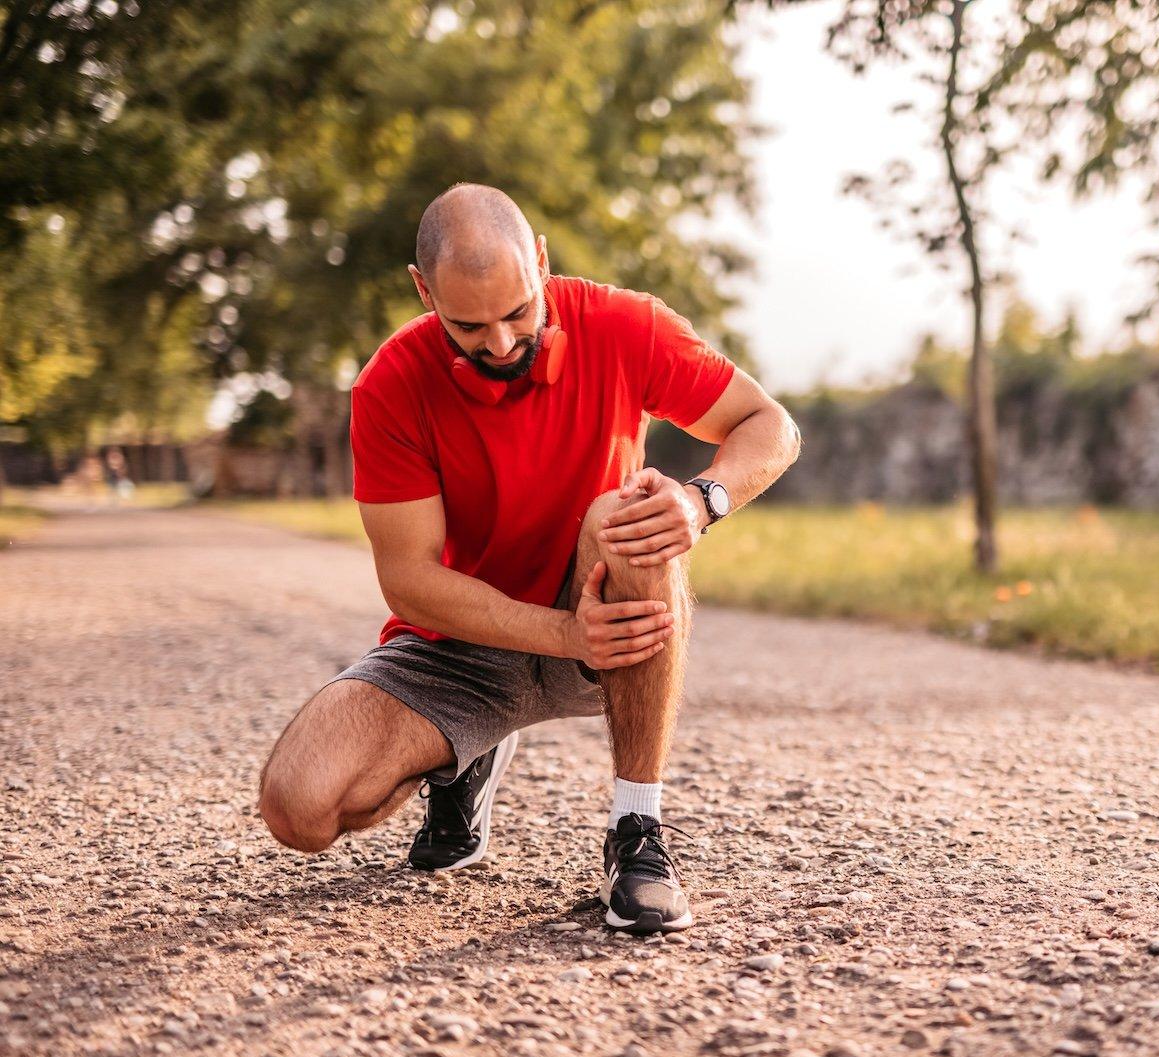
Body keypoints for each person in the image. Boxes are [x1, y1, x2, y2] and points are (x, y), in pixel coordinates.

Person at [257, 183, 802, 934]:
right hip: (464, 647)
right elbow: (410, 581)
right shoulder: (390, 384)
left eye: (519, 312)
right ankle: (460, 762)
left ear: (541, 261)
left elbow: (768, 423)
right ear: (423, 292)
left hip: (603, 615)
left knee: (632, 513)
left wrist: (700, 500)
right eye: (468, 325)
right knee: (301, 807)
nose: (503, 344)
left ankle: (637, 833)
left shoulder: (624, 324)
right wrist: (556, 636)